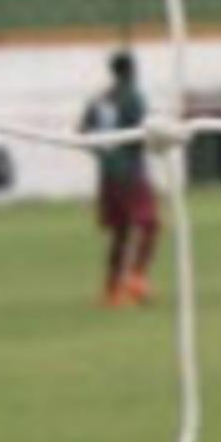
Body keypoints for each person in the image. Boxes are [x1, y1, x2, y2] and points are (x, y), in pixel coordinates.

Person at [85, 50, 159, 308]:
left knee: (121, 231)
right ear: (131, 70)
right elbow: (143, 131)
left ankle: (111, 289)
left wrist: (105, 157)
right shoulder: (132, 96)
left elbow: (84, 131)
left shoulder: (101, 99)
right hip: (130, 172)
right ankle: (137, 279)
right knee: (150, 224)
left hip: (108, 174)